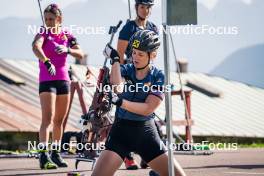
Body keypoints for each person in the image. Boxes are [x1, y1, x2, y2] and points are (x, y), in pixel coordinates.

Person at [92, 30, 186, 176]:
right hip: (120, 133)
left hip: (146, 134)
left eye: (141, 54)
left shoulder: (158, 76)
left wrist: (121, 102)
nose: (135, 57)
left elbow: (148, 108)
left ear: (152, 55)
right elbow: (117, 87)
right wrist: (116, 59)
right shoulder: (126, 69)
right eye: (134, 52)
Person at [32, 3, 84, 169]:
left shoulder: (67, 34)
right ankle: (43, 155)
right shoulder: (43, 32)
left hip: (63, 80)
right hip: (47, 81)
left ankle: (55, 153)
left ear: (59, 19)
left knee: (59, 121)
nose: (48, 22)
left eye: (51, 19)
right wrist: (46, 61)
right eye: (46, 19)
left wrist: (67, 49)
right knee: (47, 118)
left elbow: (80, 53)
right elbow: (35, 47)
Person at [117, 0, 159, 169]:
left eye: (148, 7)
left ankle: (148, 155)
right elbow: (120, 54)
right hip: (129, 75)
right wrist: (122, 76)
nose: (146, 10)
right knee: (126, 112)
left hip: (147, 76)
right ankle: (127, 156)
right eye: (142, 7)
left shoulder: (154, 28)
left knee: (147, 113)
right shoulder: (129, 28)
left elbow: (153, 53)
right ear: (136, 8)